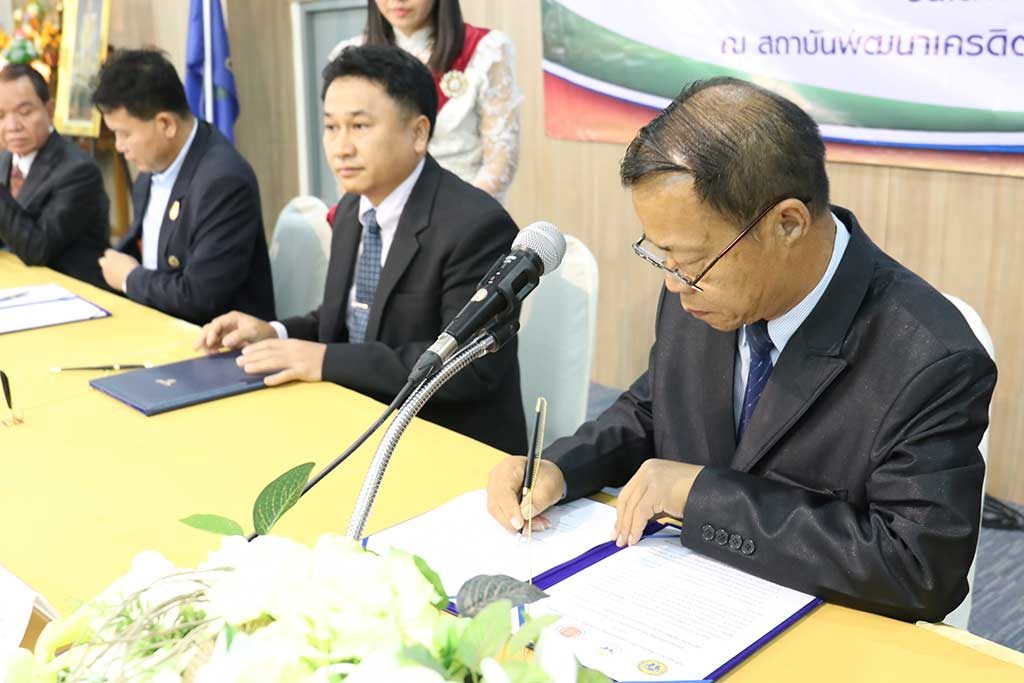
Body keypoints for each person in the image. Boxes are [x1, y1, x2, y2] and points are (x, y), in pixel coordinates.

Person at [486, 77, 997, 623]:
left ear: (788, 224)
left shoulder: (930, 357)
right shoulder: (700, 288)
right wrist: (560, 467)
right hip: (683, 603)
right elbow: (654, 408)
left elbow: (917, 568)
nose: (675, 283)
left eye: (690, 261)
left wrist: (703, 497)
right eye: (662, 255)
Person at [196, 45, 526, 454]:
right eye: (331, 127)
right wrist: (275, 332)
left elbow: (467, 368)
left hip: (446, 443)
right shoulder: (354, 208)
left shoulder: (475, 225)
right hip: (358, 420)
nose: (341, 147)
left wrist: (323, 360)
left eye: (359, 126)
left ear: (418, 133)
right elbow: (350, 320)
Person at [92, 49, 274, 325]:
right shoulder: (150, 173)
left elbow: (199, 297)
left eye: (124, 134)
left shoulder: (223, 182)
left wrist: (130, 278)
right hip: (160, 325)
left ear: (166, 124)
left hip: (218, 341)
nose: (119, 146)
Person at [330, 0, 521, 203]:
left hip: (461, 209)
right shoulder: (350, 57)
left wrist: (464, 215)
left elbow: (500, 161)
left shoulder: (485, 50)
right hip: (378, 213)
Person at [0, 64, 109, 288]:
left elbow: (37, 249)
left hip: (74, 292)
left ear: (49, 110)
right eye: (0, 115)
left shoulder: (78, 170)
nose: (12, 126)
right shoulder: (4, 160)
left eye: (24, 112)